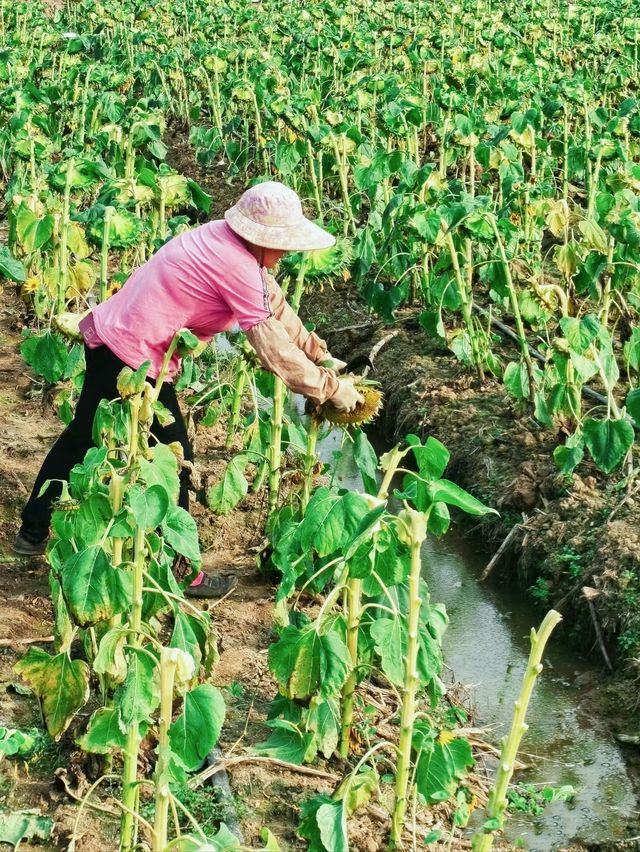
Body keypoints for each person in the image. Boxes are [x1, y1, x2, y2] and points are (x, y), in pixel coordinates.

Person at [14, 182, 363, 595]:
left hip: (118, 339)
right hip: (132, 355)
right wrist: (328, 389)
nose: (286, 253)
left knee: (83, 438)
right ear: (259, 237)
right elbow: (268, 342)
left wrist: (320, 355)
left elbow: (276, 304)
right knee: (174, 455)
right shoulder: (234, 262)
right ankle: (181, 568)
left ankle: (32, 532)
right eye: (282, 243)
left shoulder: (225, 239)